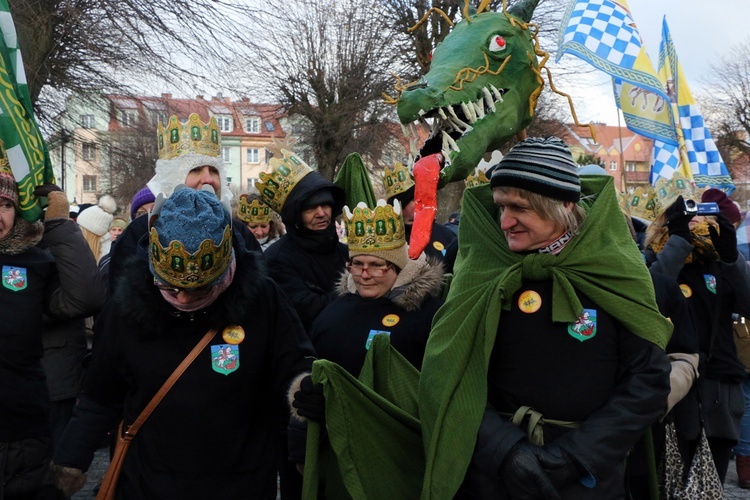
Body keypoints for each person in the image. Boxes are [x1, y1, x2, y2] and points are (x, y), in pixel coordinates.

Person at [417, 137, 672, 499]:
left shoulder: (613, 271)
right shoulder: (483, 272)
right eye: (500, 207)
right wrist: (506, 451)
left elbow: (648, 380)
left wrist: (574, 456)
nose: (505, 222)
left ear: (564, 204)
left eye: (519, 208)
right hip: (496, 478)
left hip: (586, 481)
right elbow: (450, 372)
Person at [51, 187, 315, 499]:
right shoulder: (127, 306)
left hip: (240, 480)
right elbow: (100, 396)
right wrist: (69, 464)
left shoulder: (263, 300)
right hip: (150, 482)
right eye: (170, 286)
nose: (183, 297)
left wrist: (308, 393)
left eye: (201, 289)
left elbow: (294, 368)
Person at [0, 159, 104, 499]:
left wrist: (59, 225)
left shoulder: (33, 261)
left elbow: (84, 297)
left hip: (23, 427)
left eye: (5, 205)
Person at [644, 191, 750, 483]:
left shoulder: (718, 263)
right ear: (668, 223)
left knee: (710, 483)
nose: (700, 223)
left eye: (705, 217)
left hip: (720, 389)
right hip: (674, 387)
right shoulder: (653, 261)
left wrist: (731, 256)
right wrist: (678, 243)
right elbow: (650, 298)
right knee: (669, 480)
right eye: (691, 217)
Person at [107, 113, 260, 289]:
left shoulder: (238, 231)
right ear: (173, 178)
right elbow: (121, 302)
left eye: (213, 170)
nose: (208, 179)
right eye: (195, 170)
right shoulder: (139, 232)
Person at [260, 147, 348, 332]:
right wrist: (357, 289)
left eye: (325, 205)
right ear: (295, 215)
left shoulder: (346, 252)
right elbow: (308, 310)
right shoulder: (276, 259)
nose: (321, 213)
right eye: (310, 208)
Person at [384, 161, 456, 261]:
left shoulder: (447, 235)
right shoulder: (384, 239)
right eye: (415, 199)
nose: (423, 203)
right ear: (400, 204)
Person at [76, 195, 116, 263]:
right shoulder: (81, 250)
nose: (78, 229)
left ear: (90, 232)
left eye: (81, 227)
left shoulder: (107, 258)